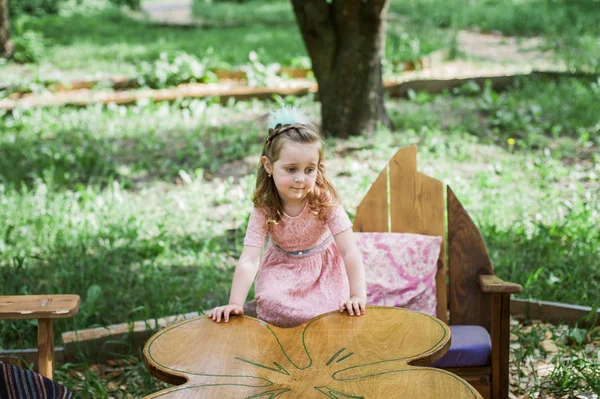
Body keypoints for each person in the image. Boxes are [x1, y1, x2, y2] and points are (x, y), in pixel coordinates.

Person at [208, 106, 366, 328]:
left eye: (309, 170)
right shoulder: (265, 207)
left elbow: (349, 251)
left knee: (327, 314)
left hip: (322, 270)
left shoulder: (324, 201)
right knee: (272, 303)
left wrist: (357, 295)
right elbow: (250, 259)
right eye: (291, 169)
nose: (301, 178)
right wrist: (235, 303)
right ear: (269, 166)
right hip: (283, 268)